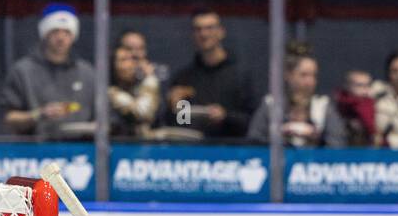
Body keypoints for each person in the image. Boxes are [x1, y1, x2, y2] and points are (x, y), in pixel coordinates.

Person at [0, 3, 96, 138]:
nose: (61, 38)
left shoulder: (88, 73)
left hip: (80, 152)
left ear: (74, 36)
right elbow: (9, 119)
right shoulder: (23, 71)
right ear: (44, 33)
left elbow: (102, 119)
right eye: (55, 31)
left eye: (67, 32)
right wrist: (39, 114)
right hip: (35, 152)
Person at [166, 9, 255, 139]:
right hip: (193, 152)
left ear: (221, 32)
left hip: (232, 152)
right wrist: (175, 105)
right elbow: (181, 123)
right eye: (198, 29)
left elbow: (252, 122)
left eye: (210, 28)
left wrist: (225, 116)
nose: (204, 34)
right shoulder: (184, 78)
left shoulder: (240, 76)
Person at [246, 51, 346, 147]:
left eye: (313, 75)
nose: (310, 82)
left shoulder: (323, 105)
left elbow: (336, 145)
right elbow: (254, 140)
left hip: (314, 161)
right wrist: (280, 136)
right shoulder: (271, 103)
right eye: (304, 75)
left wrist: (316, 138)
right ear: (288, 75)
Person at [108, 44, 160, 137]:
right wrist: (149, 78)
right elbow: (142, 112)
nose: (131, 64)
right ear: (113, 66)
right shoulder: (111, 93)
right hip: (121, 147)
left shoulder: (139, 90)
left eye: (132, 59)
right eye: (124, 60)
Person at [334, 69, 378, 146]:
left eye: (367, 85)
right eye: (359, 85)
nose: (364, 90)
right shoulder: (337, 106)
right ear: (348, 87)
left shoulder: (373, 105)